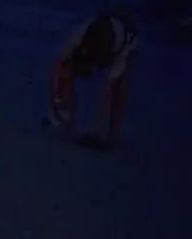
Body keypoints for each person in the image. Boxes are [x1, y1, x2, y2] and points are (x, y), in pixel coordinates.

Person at [44, 10, 139, 149]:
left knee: (120, 85)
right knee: (65, 72)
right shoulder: (81, 33)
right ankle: (70, 128)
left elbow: (108, 86)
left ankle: (112, 136)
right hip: (92, 45)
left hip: (122, 46)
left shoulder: (124, 43)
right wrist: (56, 101)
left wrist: (96, 128)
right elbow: (57, 65)